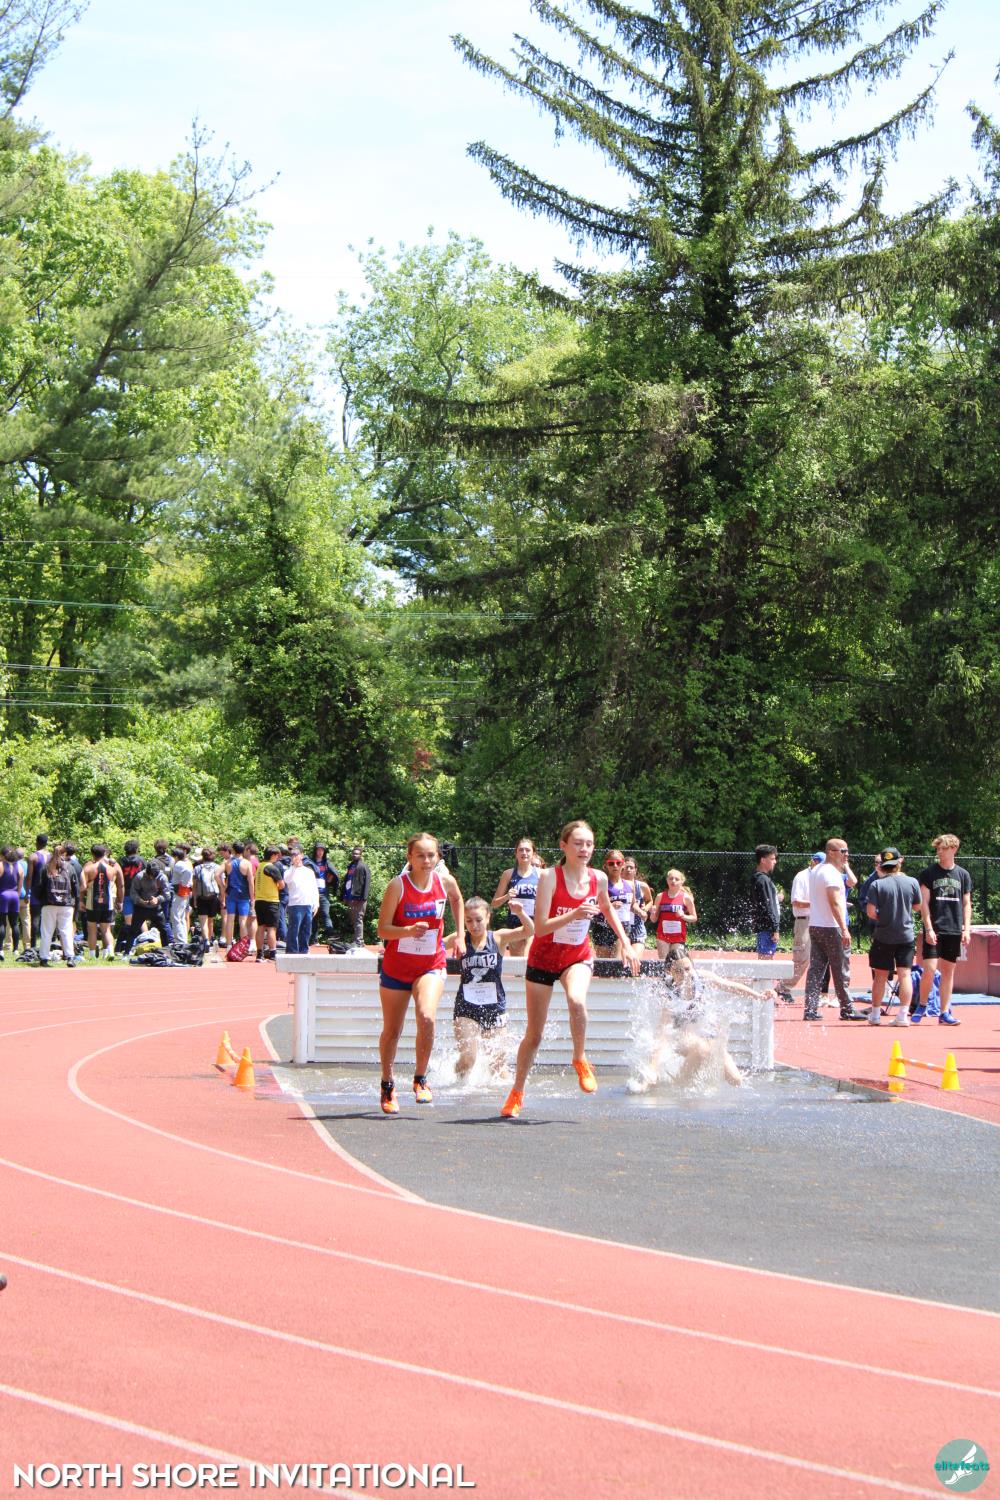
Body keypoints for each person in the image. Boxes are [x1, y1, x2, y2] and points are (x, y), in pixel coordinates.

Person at [501, 819, 640, 1119]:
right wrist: (575, 913)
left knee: (577, 1001)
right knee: (534, 1035)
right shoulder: (549, 877)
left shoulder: (598, 878)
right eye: (578, 843)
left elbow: (606, 908)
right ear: (564, 846)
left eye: (589, 844)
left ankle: (579, 1057)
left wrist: (627, 943)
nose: (584, 849)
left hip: (576, 956)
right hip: (543, 957)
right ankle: (517, 1091)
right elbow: (540, 927)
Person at [376, 832, 464, 1113]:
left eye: (431, 855)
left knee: (426, 1016)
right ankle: (387, 1083)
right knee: (392, 1031)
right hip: (397, 968)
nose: (426, 861)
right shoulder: (397, 886)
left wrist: (461, 935)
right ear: (410, 857)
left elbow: (457, 900)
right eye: (420, 856)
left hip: (431, 964)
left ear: (438, 857)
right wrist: (408, 931)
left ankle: (420, 1078)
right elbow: (382, 930)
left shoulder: (444, 881)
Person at [629, 949, 779, 1092]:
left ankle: (684, 1084)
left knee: (736, 1080)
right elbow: (662, 1032)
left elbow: (730, 986)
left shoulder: (701, 978)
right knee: (701, 1048)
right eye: (678, 971)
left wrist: (758, 996)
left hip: (704, 1036)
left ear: (692, 966)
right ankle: (677, 1088)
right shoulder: (667, 993)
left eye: (687, 969)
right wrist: (652, 1068)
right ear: (669, 971)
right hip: (680, 1038)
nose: (685, 975)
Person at [447, 895, 534, 1079]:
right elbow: (435, 942)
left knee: (498, 1064)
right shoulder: (460, 938)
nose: (474, 925)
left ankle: (507, 1093)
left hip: (494, 1006)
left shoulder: (498, 937)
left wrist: (520, 913)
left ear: (487, 918)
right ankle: (455, 1084)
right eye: (469, 921)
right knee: (468, 1058)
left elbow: (529, 930)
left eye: (479, 920)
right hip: (466, 1006)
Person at [803, 838, 866, 1021]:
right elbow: (834, 902)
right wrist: (844, 928)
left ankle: (810, 1009)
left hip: (816, 925)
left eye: (847, 851)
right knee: (841, 969)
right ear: (831, 852)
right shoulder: (831, 873)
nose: (846, 855)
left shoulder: (817, 870)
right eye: (843, 851)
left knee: (816, 969)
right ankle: (847, 1009)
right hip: (832, 927)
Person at [916, 834, 973, 1026]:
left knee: (948, 972)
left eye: (943, 848)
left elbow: (966, 903)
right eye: (938, 849)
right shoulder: (929, 873)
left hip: (954, 929)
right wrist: (929, 928)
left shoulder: (963, 874)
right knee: (930, 969)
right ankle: (922, 1004)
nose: (939, 852)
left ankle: (944, 1012)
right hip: (935, 928)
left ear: (953, 849)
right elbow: (924, 903)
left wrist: (966, 929)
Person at [864, 848, 922, 1026]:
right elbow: (917, 907)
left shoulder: (877, 885)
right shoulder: (912, 882)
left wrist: (884, 918)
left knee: (880, 976)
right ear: (899, 863)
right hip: (906, 935)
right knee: (905, 975)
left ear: (883, 864)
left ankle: (875, 1015)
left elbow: (870, 912)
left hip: (883, 935)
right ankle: (903, 1015)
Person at [490, 838, 540, 958]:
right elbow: (494, 903)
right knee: (517, 962)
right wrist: (507, 896)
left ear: (533, 853)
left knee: (528, 957)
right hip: (515, 924)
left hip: (534, 923)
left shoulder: (541, 874)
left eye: (527, 850)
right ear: (516, 853)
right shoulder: (508, 874)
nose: (524, 853)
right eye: (521, 850)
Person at [785, 853, 825, 999]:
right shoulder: (802, 876)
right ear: (813, 862)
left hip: (819, 921)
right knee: (802, 958)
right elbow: (796, 902)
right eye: (821, 864)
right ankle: (782, 987)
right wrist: (817, 903)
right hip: (804, 922)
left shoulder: (821, 877)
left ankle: (814, 993)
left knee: (819, 959)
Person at [590, 848, 639, 960]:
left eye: (618, 863)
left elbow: (633, 905)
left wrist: (642, 911)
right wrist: (610, 906)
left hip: (622, 927)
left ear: (623, 864)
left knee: (617, 961)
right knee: (605, 964)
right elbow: (593, 908)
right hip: (603, 928)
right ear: (606, 865)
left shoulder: (630, 885)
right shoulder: (601, 884)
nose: (615, 866)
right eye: (611, 863)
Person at [37, 845, 80, 966]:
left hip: (48, 904)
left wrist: (41, 900)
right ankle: (70, 957)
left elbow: (39, 886)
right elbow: (76, 888)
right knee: (66, 931)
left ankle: (44, 958)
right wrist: (75, 902)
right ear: (65, 854)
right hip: (67, 904)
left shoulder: (46, 867)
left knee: (47, 931)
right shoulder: (70, 868)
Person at [80, 844, 124, 959]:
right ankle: (110, 952)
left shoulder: (88, 868)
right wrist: (120, 901)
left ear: (92, 854)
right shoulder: (112, 868)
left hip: (92, 903)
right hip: (107, 903)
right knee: (106, 930)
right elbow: (120, 884)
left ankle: (92, 955)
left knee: (92, 929)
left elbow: (82, 887)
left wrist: (81, 900)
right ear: (104, 853)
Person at [650, 868, 698, 959]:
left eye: (677, 879)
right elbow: (654, 919)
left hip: (678, 937)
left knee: (678, 962)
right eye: (671, 878)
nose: (673, 881)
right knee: (664, 962)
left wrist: (683, 916)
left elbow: (694, 918)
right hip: (662, 936)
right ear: (667, 880)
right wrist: (652, 913)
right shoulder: (660, 896)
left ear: (681, 882)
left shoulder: (686, 898)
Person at [125, 861, 171, 951]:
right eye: (150, 876)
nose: (151, 878)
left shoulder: (162, 877)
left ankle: (166, 950)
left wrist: (158, 899)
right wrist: (139, 900)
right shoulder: (139, 877)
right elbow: (133, 893)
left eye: (154, 876)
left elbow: (167, 894)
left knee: (164, 929)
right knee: (133, 930)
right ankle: (126, 952)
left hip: (156, 908)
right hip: (141, 907)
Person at [284, 847, 320, 955]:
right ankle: (292, 951)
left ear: (302, 855)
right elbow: (287, 879)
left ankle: (304, 950)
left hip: (307, 903)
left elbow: (314, 888)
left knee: (306, 930)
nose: (295, 857)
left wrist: (316, 903)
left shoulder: (309, 872)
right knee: (294, 929)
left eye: (297, 854)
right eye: (293, 855)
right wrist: (293, 866)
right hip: (295, 904)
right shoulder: (288, 871)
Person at [254, 846, 285, 963]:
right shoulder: (272, 868)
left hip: (259, 900)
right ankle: (272, 954)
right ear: (272, 855)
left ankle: (259, 954)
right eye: (276, 855)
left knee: (260, 927)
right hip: (271, 900)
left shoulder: (260, 866)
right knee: (271, 928)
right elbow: (282, 885)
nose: (277, 857)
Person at [750, 844, 780, 958]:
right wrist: (775, 928)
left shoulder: (757, 878)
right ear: (763, 860)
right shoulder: (763, 880)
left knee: (764, 960)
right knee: (766, 961)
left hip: (763, 927)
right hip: (768, 929)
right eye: (772, 859)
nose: (775, 862)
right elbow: (768, 906)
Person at [222, 841, 254, 948]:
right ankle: (243, 947)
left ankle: (228, 945)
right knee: (243, 921)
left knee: (230, 919)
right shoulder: (247, 863)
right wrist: (252, 898)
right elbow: (250, 882)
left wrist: (223, 890)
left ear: (233, 850)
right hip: (243, 895)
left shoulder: (228, 863)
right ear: (243, 850)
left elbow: (224, 878)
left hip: (231, 894)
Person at [116, 840, 144, 952]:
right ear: (136, 849)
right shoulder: (142, 860)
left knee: (128, 921)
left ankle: (129, 944)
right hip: (140, 893)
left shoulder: (121, 861)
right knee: (141, 919)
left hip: (126, 893)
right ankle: (145, 942)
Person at [341, 845, 371, 950]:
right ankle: (356, 940)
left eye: (357, 854)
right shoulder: (351, 866)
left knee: (358, 919)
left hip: (359, 899)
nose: (355, 855)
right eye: (354, 853)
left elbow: (367, 882)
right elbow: (348, 881)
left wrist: (363, 898)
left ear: (360, 855)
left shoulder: (363, 866)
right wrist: (344, 896)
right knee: (354, 919)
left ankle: (359, 941)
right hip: (350, 897)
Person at [192, 847, 223, 945]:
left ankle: (206, 941)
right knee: (211, 920)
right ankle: (210, 940)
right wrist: (222, 899)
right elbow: (221, 885)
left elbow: (194, 885)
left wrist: (195, 899)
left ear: (203, 856)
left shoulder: (197, 868)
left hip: (201, 897)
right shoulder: (217, 867)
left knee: (203, 921)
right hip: (214, 896)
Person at [622, 857, 652, 954]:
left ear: (635, 870)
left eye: (631, 867)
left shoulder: (642, 886)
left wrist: (645, 909)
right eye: (626, 867)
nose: (628, 870)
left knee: (635, 959)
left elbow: (650, 901)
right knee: (621, 959)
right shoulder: (615, 886)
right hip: (621, 926)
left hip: (637, 926)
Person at [25, 834, 50, 948]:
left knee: (35, 918)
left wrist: (27, 893)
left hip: (36, 891)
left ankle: (33, 945)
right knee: (49, 919)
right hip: (48, 891)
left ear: (37, 842)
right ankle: (50, 943)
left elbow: (29, 877)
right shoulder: (51, 856)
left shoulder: (33, 857)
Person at [169, 845, 194, 946]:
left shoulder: (179, 864)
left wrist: (183, 884)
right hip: (184, 892)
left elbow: (187, 872)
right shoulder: (184, 863)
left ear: (175, 856)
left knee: (175, 917)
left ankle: (179, 941)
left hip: (179, 893)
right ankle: (183, 939)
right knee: (181, 917)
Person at [0, 847, 22, 958]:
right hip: (15, 896)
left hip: (3, 895)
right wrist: (17, 895)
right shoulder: (19, 866)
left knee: (2, 923)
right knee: (14, 923)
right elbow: (20, 886)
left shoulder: (1, 865)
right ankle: (16, 949)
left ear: (3, 856)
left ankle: (0, 950)